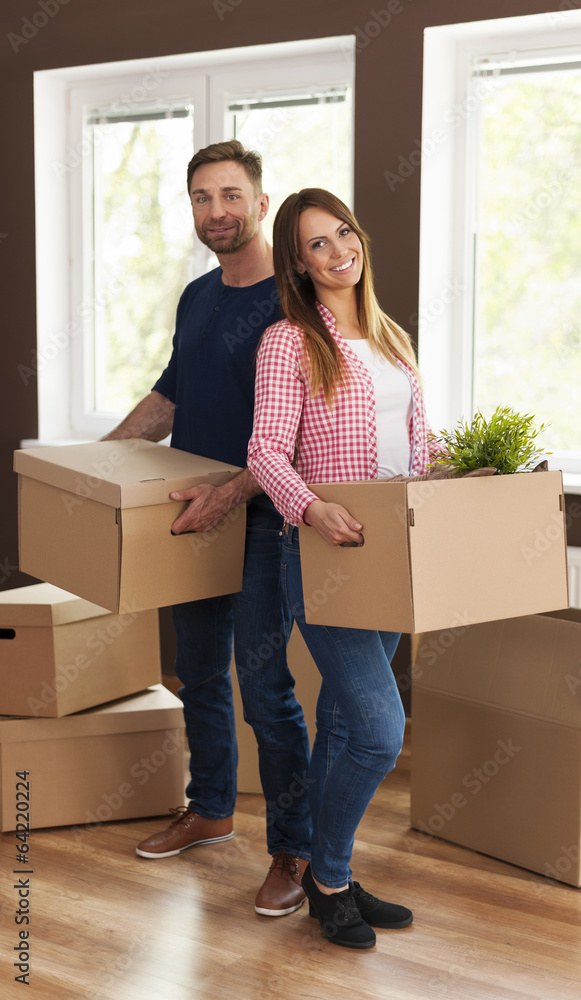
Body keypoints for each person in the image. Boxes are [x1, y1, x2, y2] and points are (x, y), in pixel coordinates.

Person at [103, 141, 311, 918]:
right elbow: (169, 397)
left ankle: (291, 847)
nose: (215, 211)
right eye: (200, 197)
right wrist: (98, 466)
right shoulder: (196, 296)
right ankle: (211, 808)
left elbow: (301, 429)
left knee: (266, 691)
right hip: (191, 513)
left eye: (230, 195)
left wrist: (230, 495)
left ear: (262, 203)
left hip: (264, 520)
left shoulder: (297, 300)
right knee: (196, 671)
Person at [247, 188, 436, 949]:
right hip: (326, 555)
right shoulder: (288, 342)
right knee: (381, 732)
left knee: (340, 726)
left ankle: (332, 877)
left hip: (394, 551)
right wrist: (312, 510)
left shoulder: (392, 338)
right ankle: (328, 879)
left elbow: (417, 444)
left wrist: (474, 468)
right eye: (315, 244)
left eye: (343, 234)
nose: (336, 252)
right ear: (297, 261)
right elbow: (264, 452)